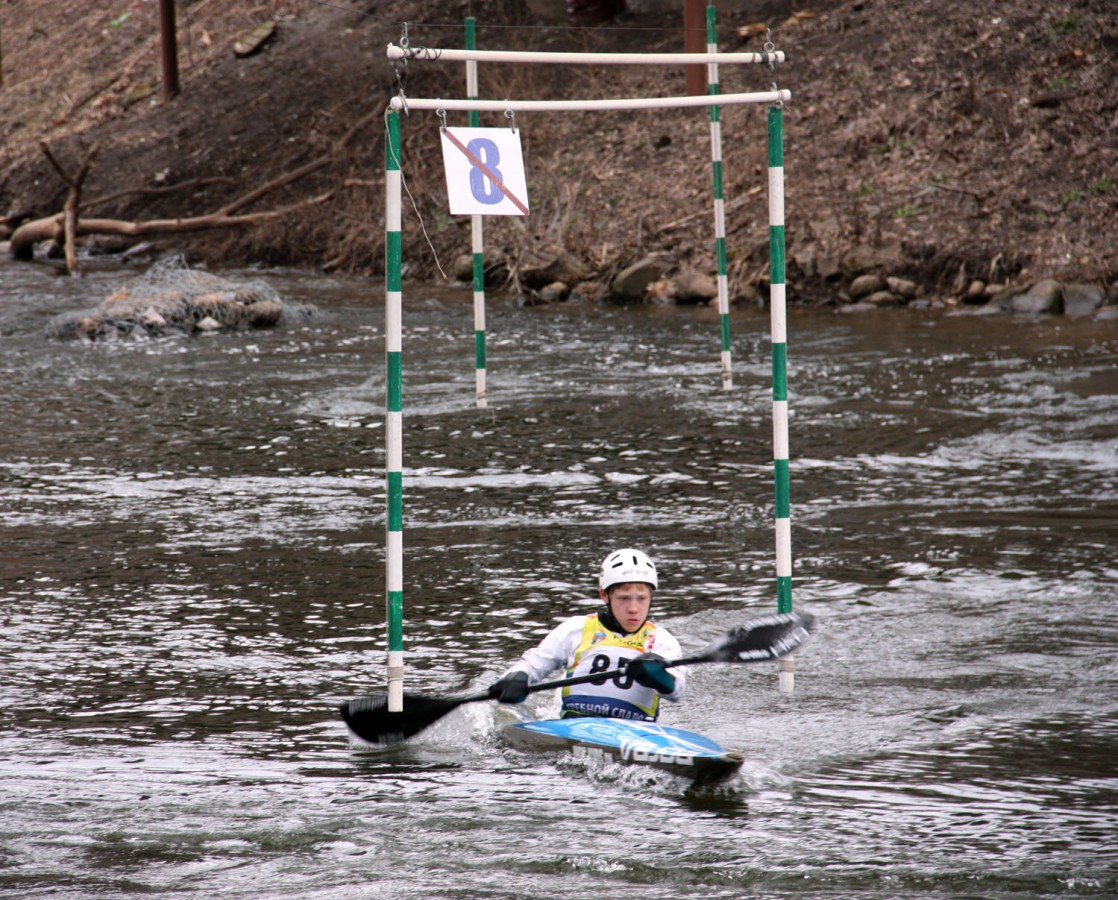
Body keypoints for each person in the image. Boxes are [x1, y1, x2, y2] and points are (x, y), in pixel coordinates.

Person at [488, 548, 685, 721]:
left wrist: (658, 676)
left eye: (641, 598)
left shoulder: (661, 640)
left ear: (651, 597)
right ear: (604, 595)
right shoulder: (576, 629)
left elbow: (676, 691)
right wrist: (517, 678)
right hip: (575, 724)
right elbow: (531, 666)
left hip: (635, 731)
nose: (633, 608)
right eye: (624, 598)